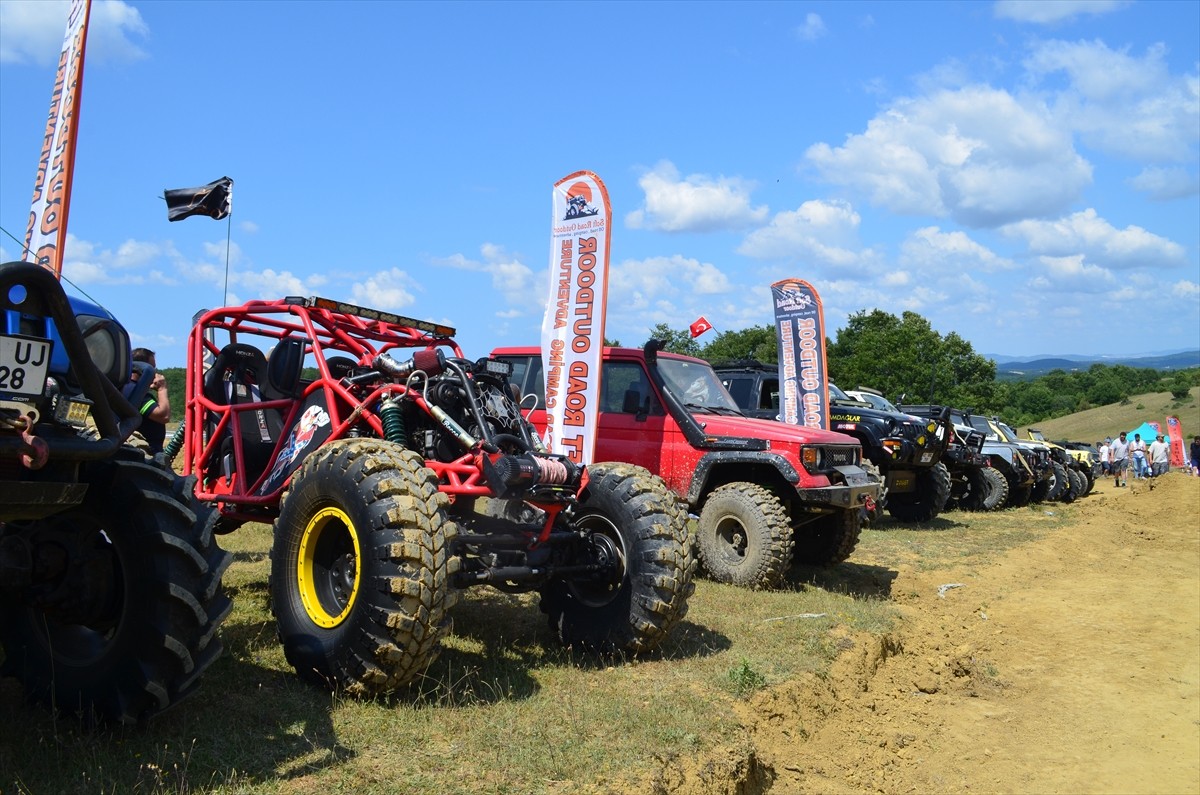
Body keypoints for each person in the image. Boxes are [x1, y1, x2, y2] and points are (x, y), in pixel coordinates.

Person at [127, 347, 171, 455]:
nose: (154, 372)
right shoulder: (138, 394)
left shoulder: (125, 388)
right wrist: (162, 389)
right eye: (152, 368)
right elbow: (163, 415)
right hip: (145, 453)